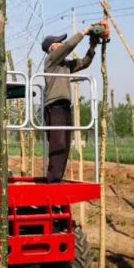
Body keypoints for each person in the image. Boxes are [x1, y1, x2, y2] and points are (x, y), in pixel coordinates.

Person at [41, 25, 100, 183]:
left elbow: (84, 63)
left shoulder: (64, 65)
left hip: (65, 107)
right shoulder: (51, 60)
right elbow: (68, 47)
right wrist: (84, 32)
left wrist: (92, 46)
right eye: (59, 42)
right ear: (52, 47)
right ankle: (53, 179)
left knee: (65, 144)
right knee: (58, 143)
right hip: (54, 106)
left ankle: (57, 178)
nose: (62, 43)